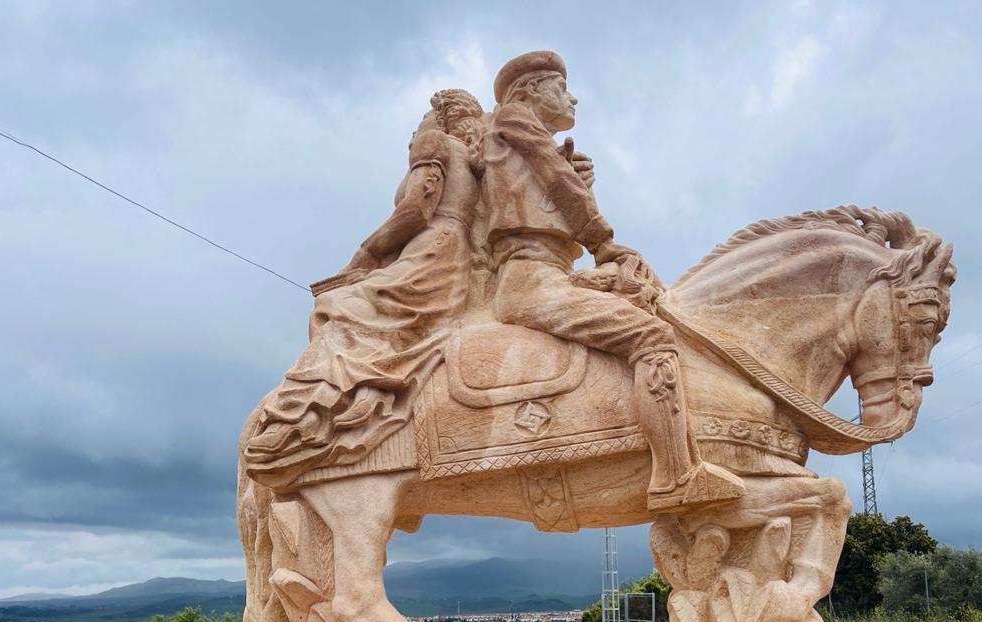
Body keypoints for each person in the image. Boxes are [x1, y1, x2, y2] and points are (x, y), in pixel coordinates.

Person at [481, 51, 744, 511]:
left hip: (554, 274)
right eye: (561, 87)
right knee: (652, 336)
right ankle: (676, 476)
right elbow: (555, 182)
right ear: (530, 90)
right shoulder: (514, 119)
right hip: (531, 280)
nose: (572, 97)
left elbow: (555, 192)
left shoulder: (520, 139)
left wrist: (583, 186)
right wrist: (604, 245)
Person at [244, 89, 485, 489]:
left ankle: (308, 415)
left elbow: (417, 209)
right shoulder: (477, 159)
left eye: (420, 121)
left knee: (335, 306)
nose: (413, 133)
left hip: (429, 256)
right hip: (456, 260)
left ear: (438, 118)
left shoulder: (434, 142)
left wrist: (365, 255)